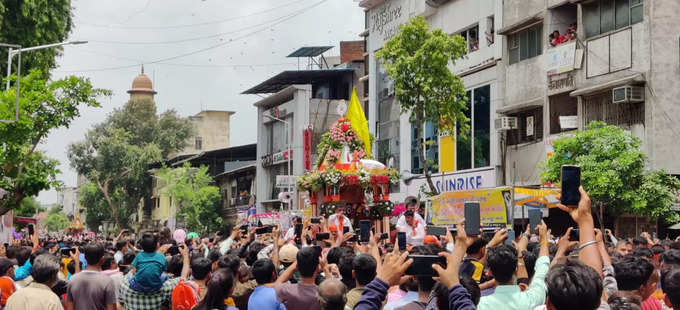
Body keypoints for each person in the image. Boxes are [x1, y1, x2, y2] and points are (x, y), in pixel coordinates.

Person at [477, 220, 550, 310]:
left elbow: (465, 282)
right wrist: (543, 239)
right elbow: (542, 268)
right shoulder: (531, 299)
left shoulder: (480, 305)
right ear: (516, 270)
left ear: (490, 272)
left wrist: (491, 244)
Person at [118, 244, 190, 310]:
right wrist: (186, 256)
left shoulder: (125, 284)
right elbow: (183, 278)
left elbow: (133, 271)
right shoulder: (163, 289)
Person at [66, 243, 117, 310]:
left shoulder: (72, 280)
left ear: (85, 258)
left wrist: (77, 261)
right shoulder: (107, 281)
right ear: (102, 259)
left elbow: (70, 307)